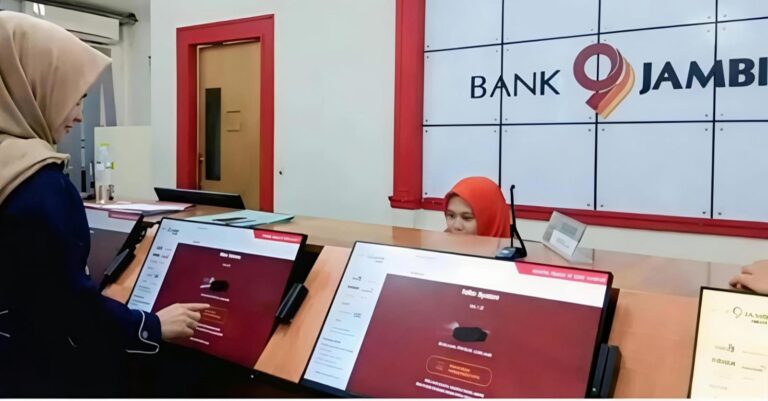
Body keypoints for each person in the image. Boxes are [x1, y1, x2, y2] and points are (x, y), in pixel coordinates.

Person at [0, 12, 207, 396]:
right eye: (74, 98)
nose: (80, 116)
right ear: (34, 87)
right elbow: (67, 309)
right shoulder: (40, 184)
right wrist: (151, 326)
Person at [444, 176, 511, 238]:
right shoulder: (443, 243)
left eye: (467, 218)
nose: (456, 226)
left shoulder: (511, 246)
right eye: (451, 216)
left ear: (490, 222)